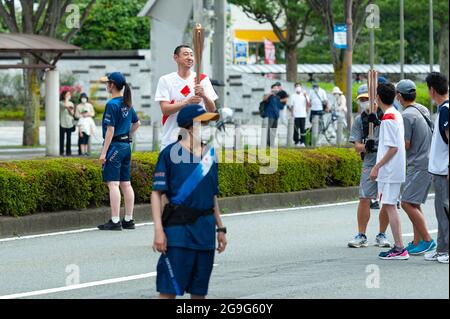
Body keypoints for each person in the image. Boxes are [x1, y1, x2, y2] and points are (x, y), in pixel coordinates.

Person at [151, 104, 227, 299]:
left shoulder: (210, 155)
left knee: (199, 293)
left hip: (205, 233)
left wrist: (220, 228)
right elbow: (157, 193)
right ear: (190, 127)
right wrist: (158, 230)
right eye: (204, 123)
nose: (208, 127)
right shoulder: (169, 154)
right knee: (169, 292)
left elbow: (212, 195)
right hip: (178, 233)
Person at [396, 79, 436, 255]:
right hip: (428, 160)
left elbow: (406, 143)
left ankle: (427, 240)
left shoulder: (406, 116)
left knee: (406, 203)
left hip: (418, 163)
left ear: (398, 96)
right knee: (414, 202)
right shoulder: (422, 109)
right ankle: (417, 240)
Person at [348, 84, 390, 248]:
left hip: (386, 162)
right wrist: (367, 146)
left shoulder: (386, 115)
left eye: (367, 99)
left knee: (386, 200)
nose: (365, 102)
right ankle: (361, 234)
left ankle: (382, 234)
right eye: (362, 100)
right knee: (364, 198)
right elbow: (356, 146)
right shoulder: (359, 120)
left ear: (375, 99)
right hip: (369, 162)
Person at [369, 83, 408, 260]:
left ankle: (400, 247)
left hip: (390, 170)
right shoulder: (395, 114)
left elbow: (392, 148)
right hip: (393, 169)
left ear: (378, 98)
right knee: (390, 206)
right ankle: (399, 246)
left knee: (390, 206)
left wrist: (376, 167)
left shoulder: (389, 117)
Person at [98, 72, 141, 231]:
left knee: (113, 184)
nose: (106, 86)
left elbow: (110, 130)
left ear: (112, 85)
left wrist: (103, 153)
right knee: (126, 184)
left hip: (115, 147)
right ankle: (128, 219)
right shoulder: (127, 103)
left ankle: (115, 220)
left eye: (107, 83)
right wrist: (127, 135)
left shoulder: (112, 104)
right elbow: (137, 123)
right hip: (126, 147)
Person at [155, 45, 218, 151]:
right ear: (176, 58)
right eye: (185, 54)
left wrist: (204, 95)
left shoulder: (202, 79)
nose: (190, 57)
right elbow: (165, 110)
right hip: (171, 140)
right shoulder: (166, 80)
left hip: (195, 142)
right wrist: (187, 102)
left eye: (191, 55)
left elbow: (212, 111)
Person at [424, 72, 449, 264]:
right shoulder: (444, 109)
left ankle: (446, 250)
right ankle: (441, 248)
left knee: (445, 212)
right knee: (441, 211)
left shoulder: (446, 110)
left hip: (444, 170)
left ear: (432, 90)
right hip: (440, 170)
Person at [290, 82, 310, 147]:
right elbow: (292, 106)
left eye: (299, 86)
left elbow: (309, 104)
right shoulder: (293, 96)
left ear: (301, 87)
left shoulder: (304, 95)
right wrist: (292, 113)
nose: (298, 87)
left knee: (302, 129)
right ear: (295, 88)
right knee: (296, 129)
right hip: (296, 115)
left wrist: (306, 95)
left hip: (303, 114)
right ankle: (296, 141)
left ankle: (302, 141)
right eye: (297, 86)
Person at [60, 90, 75, 156]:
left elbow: (72, 113)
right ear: (64, 95)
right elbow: (65, 106)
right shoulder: (60, 103)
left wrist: (70, 109)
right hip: (62, 123)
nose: (69, 95)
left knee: (69, 138)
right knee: (61, 138)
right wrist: (66, 99)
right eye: (67, 94)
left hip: (69, 123)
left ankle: (68, 152)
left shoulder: (71, 103)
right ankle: (61, 151)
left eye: (69, 94)